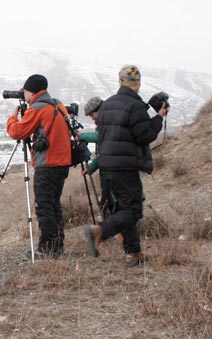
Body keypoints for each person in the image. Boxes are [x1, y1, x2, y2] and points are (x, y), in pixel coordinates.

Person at [84, 65, 168, 266]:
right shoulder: (135, 106)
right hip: (125, 165)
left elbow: (103, 137)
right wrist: (158, 118)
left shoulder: (108, 105)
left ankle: (134, 252)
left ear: (120, 82)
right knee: (134, 211)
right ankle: (99, 232)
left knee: (124, 207)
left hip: (107, 167)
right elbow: (145, 136)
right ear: (137, 84)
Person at [6, 74, 72, 257]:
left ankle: (48, 248)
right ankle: (57, 245)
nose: (23, 94)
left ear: (31, 91)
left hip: (48, 164)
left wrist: (13, 116)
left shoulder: (37, 109)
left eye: (25, 91)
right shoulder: (57, 105)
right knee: (53, 204)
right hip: (63, 162)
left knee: (43, 206)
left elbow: (17, 132)